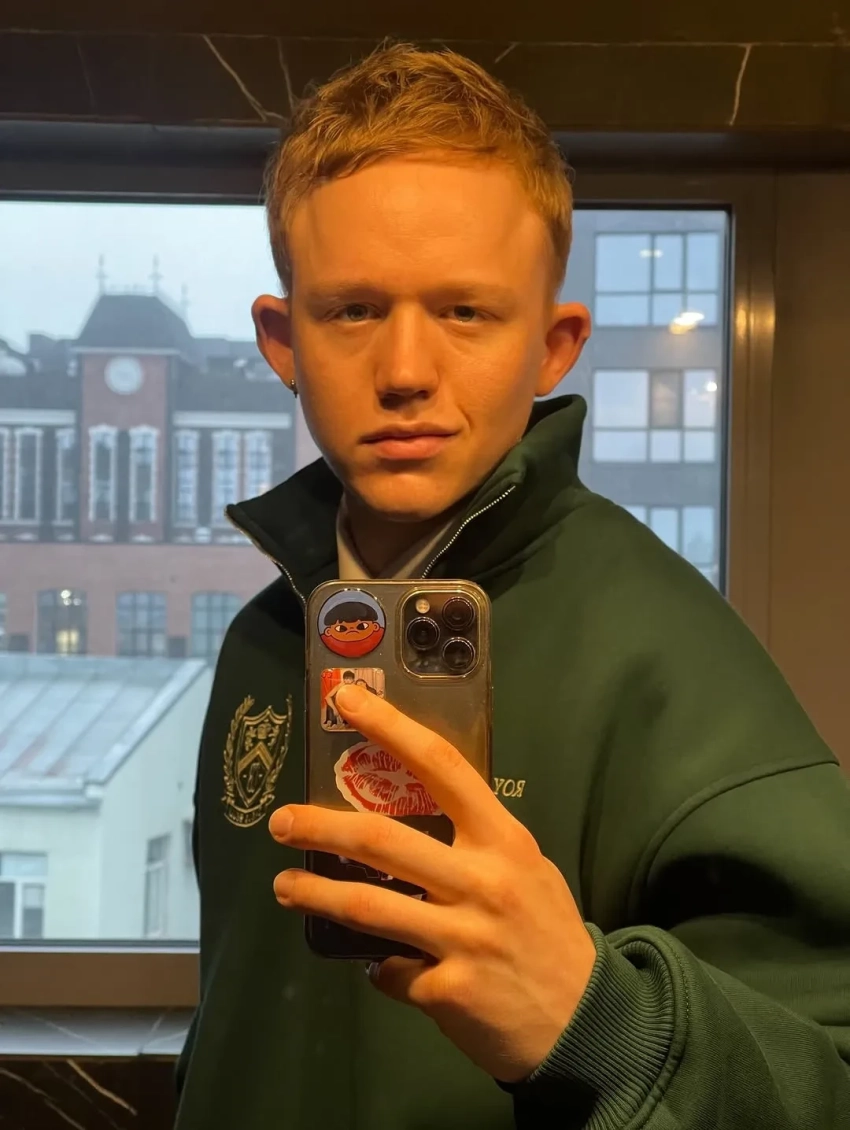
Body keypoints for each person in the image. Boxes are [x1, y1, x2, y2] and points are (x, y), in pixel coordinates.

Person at [174, 39, 850, 1130]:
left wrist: (599, 1022)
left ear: (553, 345)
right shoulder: (266, 635)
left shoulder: (666, 656)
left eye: (466, 312)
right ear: (282, 338)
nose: (405, 371)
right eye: (352, 310)